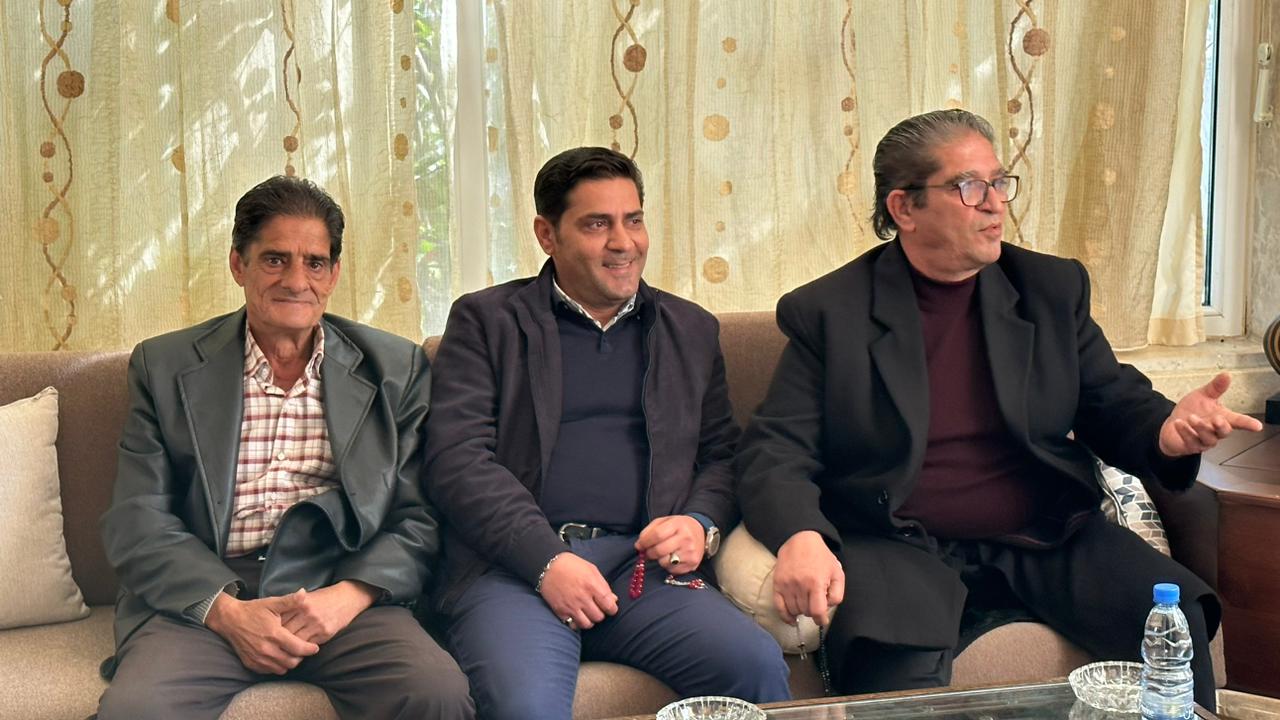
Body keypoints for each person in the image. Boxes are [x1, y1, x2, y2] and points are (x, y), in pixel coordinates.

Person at [734, 109, 1262, 711]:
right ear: (904, 208)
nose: (994, 204)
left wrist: (1168, 431)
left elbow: (1111, 400)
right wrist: (801, 534)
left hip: (1043, 532)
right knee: (892, 661)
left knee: (1172, 617)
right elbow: (776, 448)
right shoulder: (832, 311)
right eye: (968, 186)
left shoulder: (1048, 289)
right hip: (897, 542)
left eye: (999, 182)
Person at [424, 146, 791, 719]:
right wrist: (547, 562)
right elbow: (457, 460)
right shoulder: (487, 322)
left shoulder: (689, 329)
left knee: (754, 664)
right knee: (526, 707)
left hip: (643, 570)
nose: (624, 242)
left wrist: (699, 523)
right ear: (547, 234)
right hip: (515, 569)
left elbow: (720, 454)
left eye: (633, 220)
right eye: (597, 224)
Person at [97, 176, 474, 720]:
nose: (297, 281)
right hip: (209, 593)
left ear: (334, 274)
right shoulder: (164, 366)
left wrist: (347, 597)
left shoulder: (395, 369)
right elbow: (138, 518)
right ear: (238, 265)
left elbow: (418, 516)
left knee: (434, 694)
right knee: (138, 711)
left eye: (315, 263)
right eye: (275, 260)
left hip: (338, 589)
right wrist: (228, 614)